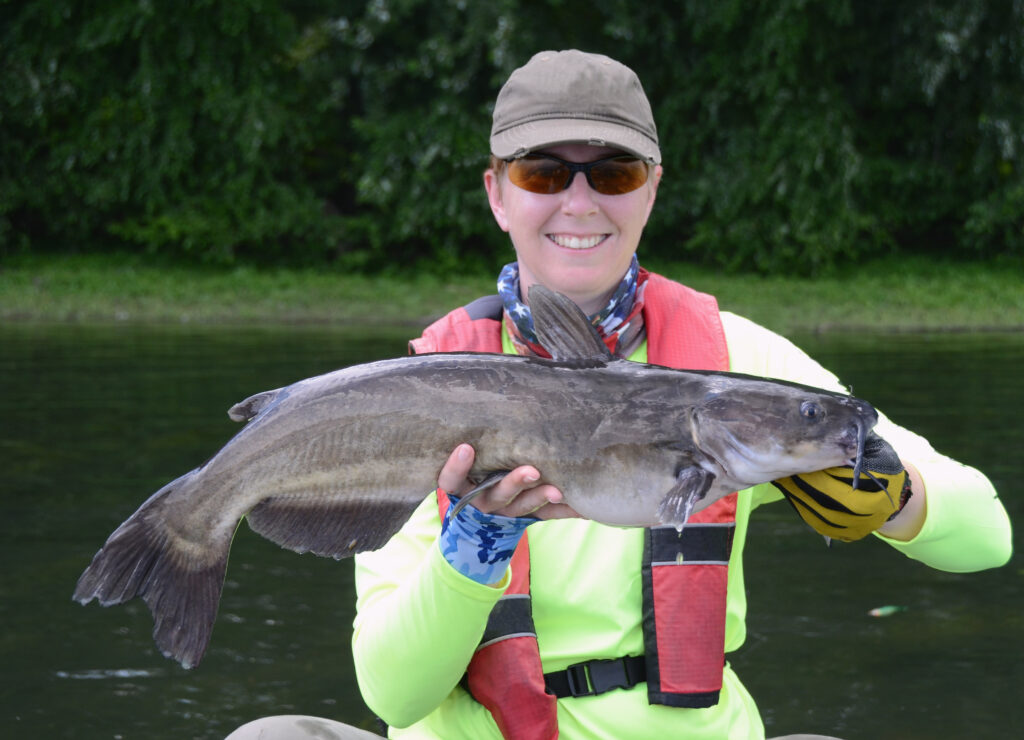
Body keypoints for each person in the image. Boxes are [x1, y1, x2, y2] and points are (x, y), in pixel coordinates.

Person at [226, 49, 1012, 740]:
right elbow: (394, 694)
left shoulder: (737, 364)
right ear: (498, 194)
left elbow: (988, 536)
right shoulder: (426, 387)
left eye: (613, 173)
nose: (579, 202)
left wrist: (891, 496)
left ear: (651, 190)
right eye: (542, 173)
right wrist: (474, 551)